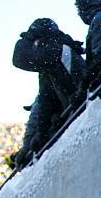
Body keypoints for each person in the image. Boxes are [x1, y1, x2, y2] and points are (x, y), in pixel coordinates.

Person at [12, 19, 86, 167]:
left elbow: (19, 58)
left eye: (36, 42)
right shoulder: (48, 65)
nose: (34, 47)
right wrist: (42, 132)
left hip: (82, 113)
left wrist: (29, 36)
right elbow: (46, 100)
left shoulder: (58, 51)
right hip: (74, 112)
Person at [69, 0, 101, 87]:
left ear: (86, 0)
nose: (77, 7)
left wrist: (85, 84)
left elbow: (99, 59)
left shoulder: (100, 19)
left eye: (78, 2)